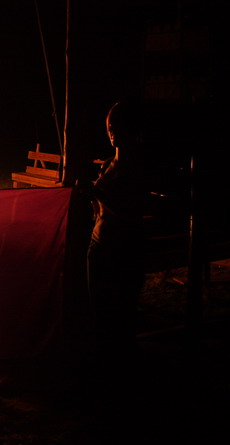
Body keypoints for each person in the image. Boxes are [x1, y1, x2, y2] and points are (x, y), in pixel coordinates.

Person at [77, 101, 147, 366]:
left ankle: (121, 360)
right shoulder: (107, 164)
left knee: (122, 308)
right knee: (99, 305)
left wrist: (94, 191)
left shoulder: (136, 167)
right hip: (99, 242)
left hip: (124, 246)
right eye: (109, 127)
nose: (113, 133)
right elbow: (100, 205)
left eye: (118, 127)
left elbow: (131, 209)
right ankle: (106, 357)